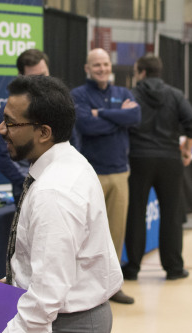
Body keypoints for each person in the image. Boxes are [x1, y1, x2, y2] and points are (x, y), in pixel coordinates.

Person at [0, 75, 123, 332]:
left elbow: (46, 295)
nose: (1, 129)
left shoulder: (54, 192)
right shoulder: (64, 160)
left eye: (11, 123)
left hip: (67, 321)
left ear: (44, 132)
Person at [71, 48, 141, 304]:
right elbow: (86, 125)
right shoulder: (78, 95)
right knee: (86, 235)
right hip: (92, 175)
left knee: (115, 233)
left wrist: (101, 113)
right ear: (87, 68)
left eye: (105, 64)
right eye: (96, 65)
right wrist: (117, 118)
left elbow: (135, 116)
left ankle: (112, 287)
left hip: (120, 173)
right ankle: (86, 290)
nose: (102, 68)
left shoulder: (123, 92)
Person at [123, 54, 192, 281]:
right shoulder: (175, 95)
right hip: (169, 159)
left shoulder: (132, 95)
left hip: (139, 159)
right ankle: (173, 268)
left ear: (141, 72)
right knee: (171, 214)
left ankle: (132, 268)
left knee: (136, 212)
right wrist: (186, 149)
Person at [0, 49, 49, 204]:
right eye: (33, 78)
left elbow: (73, 145)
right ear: (21, 77)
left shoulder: (60, 107)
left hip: (59, 186)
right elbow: (1, 156)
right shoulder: (8, 110)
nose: (40, 82)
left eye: (43, 76)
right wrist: (28, 182)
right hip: (26, 192)